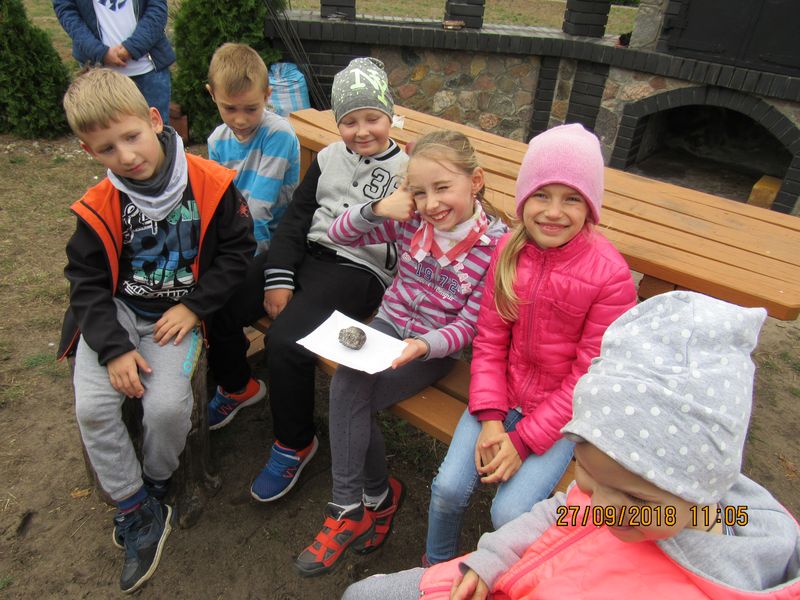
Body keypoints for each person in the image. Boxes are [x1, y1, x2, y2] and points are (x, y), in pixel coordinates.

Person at [343, 291, 800, 600]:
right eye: (587, 473)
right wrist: (492, 557)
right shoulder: (647, 506)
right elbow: (560, 514)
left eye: (636, 499)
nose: (604, 508)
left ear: (705, 487)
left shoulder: (713, 582)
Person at [56, 68, 254, 594]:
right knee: (94, 408)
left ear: (154, 120)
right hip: (116, 314)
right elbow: (86, 283)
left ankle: (157, 484)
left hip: (176, 317)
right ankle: (134, 507)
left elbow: (238, 254)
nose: (125, 156)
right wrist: (114, 348)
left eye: (131, 137)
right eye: (107, 148)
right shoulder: (98, 204)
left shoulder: (211, 183)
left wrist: (195, 307)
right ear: (88, 151)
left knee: (166, 409)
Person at [294, 131, 509, 576]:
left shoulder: (495, 248)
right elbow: (338, 233)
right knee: (350, 385)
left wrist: (424, 345)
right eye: (420, 192)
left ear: (476, 181)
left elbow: (469, 327)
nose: (432, 203)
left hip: (433, 351)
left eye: (442, 188)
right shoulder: (412, 222)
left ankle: (364, 503)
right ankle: (366, 501)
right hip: (387, 328)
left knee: (349, 395)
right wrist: (377, 208)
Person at [425, 123, 638, 565]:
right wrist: (490, 419)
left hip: (563, 416)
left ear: (591, 206)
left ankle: (504, 579)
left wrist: (522, 441)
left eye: (572, 198)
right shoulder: (508, 251)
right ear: (524, 199)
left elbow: (589, 379)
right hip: (499, 396)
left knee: (509, 513)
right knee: (447, 489)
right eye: (542, 195)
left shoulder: (610, 276)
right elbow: (489, 342)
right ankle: (436, 567)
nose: (553, 212)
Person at [237, 57, 408, 503]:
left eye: (372, 118)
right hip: (307, 253)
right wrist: (278, 275)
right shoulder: (329, 157)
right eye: (350, 121)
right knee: (229, 293)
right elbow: (297, 217)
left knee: (285, 341)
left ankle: (294, 443)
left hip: (358, 270)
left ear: (389, 115)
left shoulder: (407, 171)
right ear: (338, 124)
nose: (362, 131)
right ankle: (236, 384)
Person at [204, 43, 301, 429]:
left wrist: (226, 262)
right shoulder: (217, 140)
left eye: (251, 109)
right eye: (230, 108)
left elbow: (259, 212)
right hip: (238, 239)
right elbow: (217, 201)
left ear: (267, 95)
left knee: (218, 299)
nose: (240, 120)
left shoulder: (279, 135)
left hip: (275, 245)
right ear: (212, 95)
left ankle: (237, 386)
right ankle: (221, 366)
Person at [53, 0, 175, 124]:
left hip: (149, 71)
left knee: (157, 131)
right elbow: (66, 11)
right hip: (98, 75)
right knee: (102, 132)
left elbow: (157, 8)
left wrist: (133, 47)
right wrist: (100, 52)